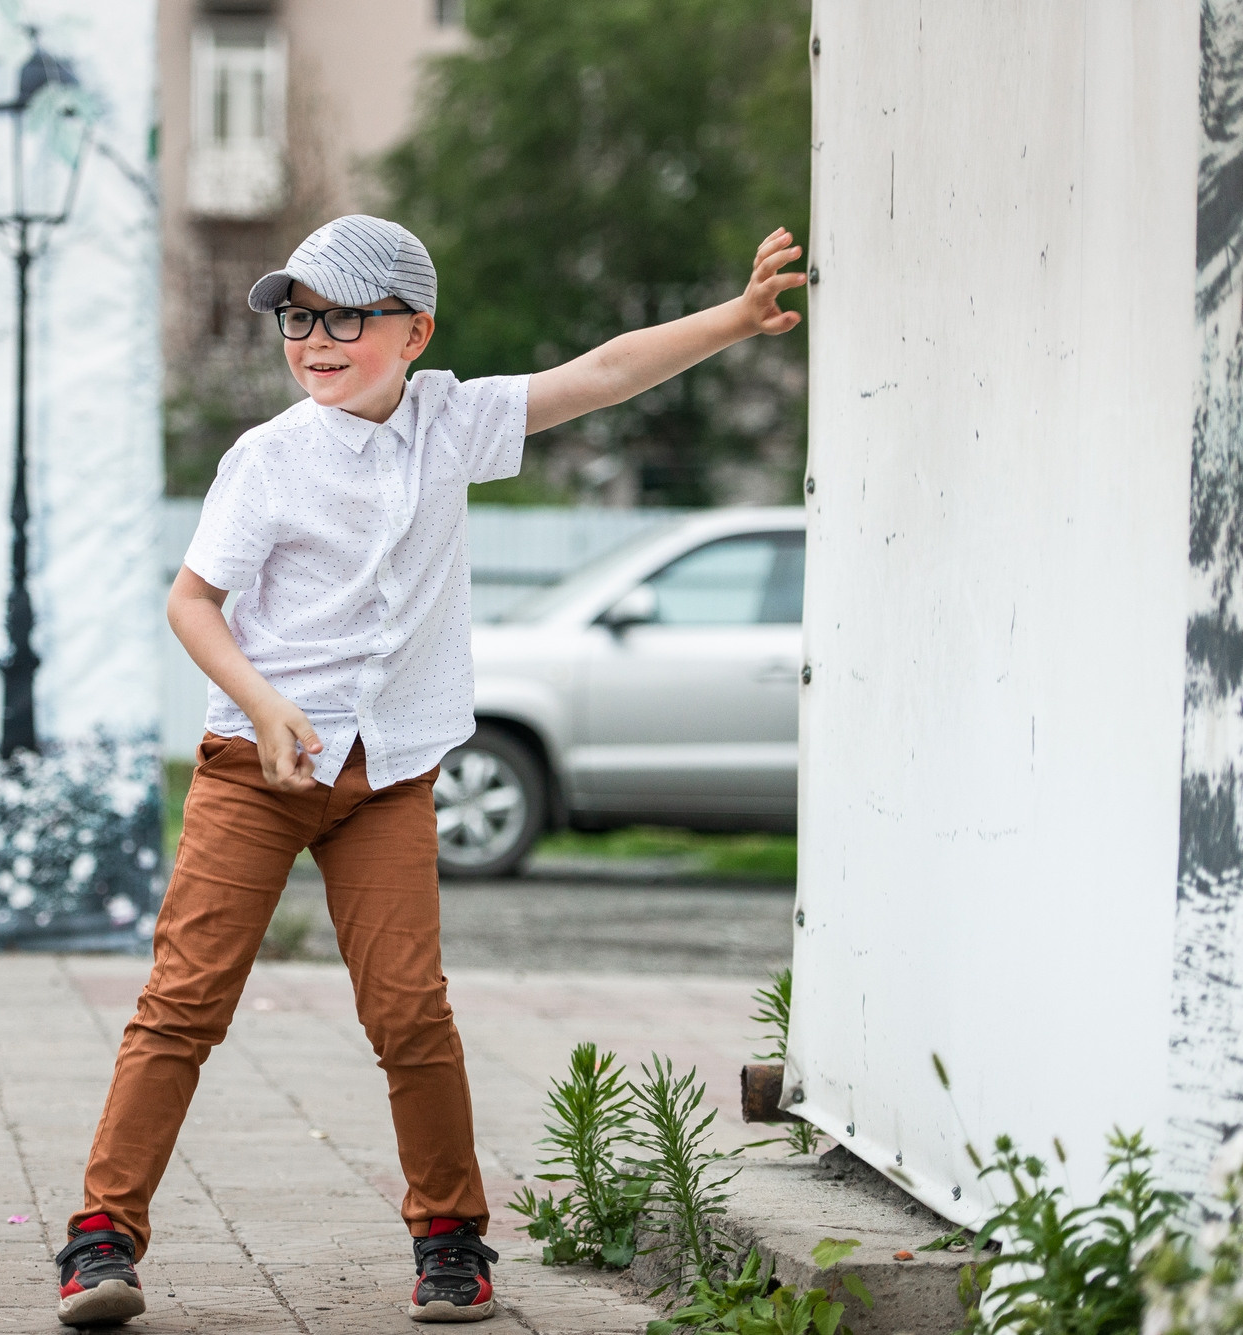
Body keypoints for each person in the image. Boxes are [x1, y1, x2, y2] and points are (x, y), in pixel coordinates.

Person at [53, 214, 804, 1327]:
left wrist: (736, 320)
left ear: (413, 332)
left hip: (388, 776)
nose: (313, 341)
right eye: (297, 319)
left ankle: (451, 1242)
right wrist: (263, 706)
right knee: (182, 1003)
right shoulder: (266, 459)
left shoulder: (452, 422)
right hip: (252, 770)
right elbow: (191, 602)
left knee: (410, 1014)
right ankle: (100, 1242)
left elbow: (598, 374)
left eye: (343, 318)